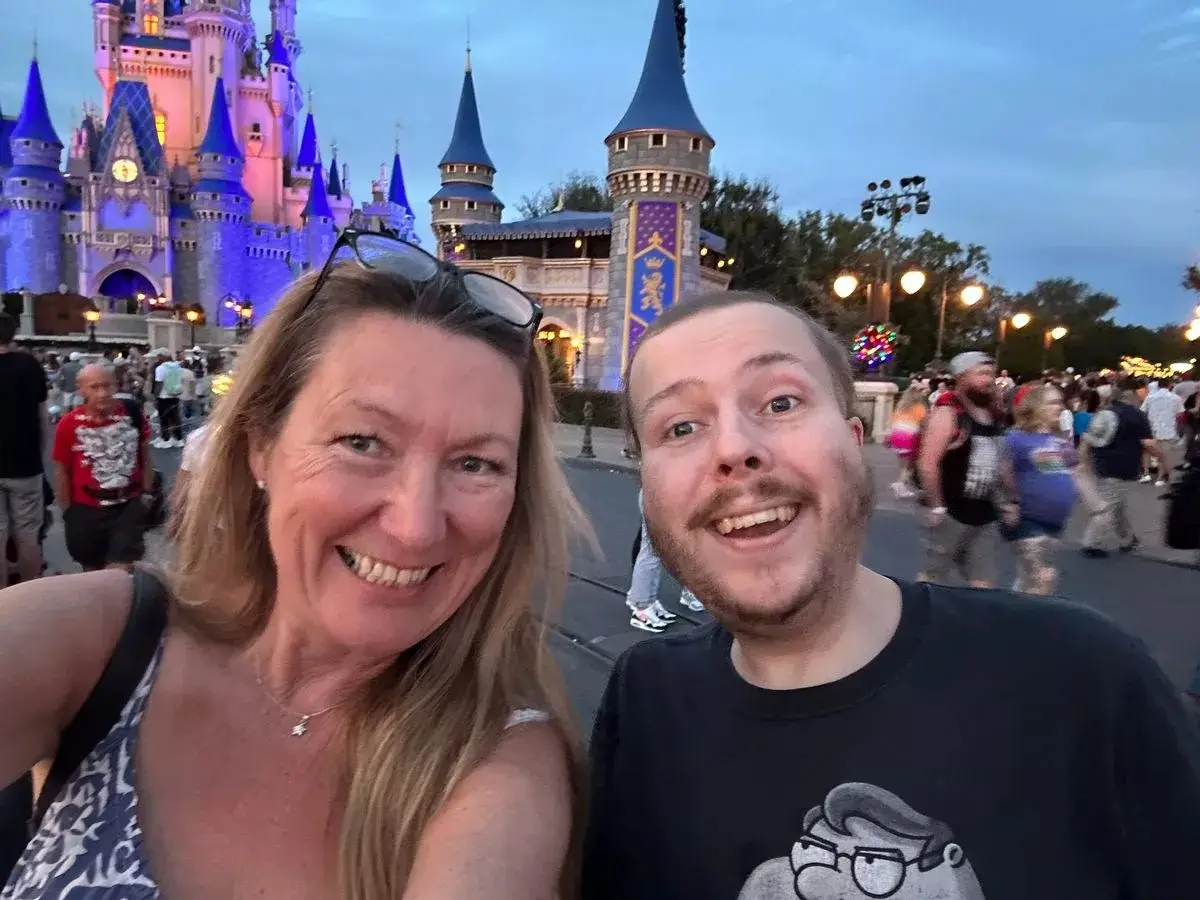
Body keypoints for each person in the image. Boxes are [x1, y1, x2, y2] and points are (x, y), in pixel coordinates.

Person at [1, 232, 585, 898]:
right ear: (259, 447)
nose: (417, 526)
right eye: (363, 442)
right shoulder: (101, 642)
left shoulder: (493, 766)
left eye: (475, 463)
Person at [582, 290, 1200, 900]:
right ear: (650, 489)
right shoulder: (645, 699)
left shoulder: (1079, 677)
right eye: (681, 426)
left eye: (779, 401)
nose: (734, 449)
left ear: (855, 443)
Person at [50, 364, 153, 573]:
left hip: (127, 506)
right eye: (94, 387)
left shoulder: (132, 413)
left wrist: (147, 493)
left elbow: (145, 454)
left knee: (119, 573)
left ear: (116, 385)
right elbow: (61, 471)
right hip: (86, 510)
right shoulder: (68, 424)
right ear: (81, 390)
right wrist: (69, 512)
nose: (102, 393)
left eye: (107, 386)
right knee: (92, 572)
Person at [916, 351, 1004, 588]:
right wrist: (936, 506)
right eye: (982, 373)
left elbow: (1001, 458)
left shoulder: (992, 414)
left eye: (992, 374)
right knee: (933, 577)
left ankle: (980, 621)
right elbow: (927, 463)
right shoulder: (948, 414)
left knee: (984, 582)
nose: (989, 380)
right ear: (961, 376)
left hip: (984, 513)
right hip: (951, 512)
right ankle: (923, 619)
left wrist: (1010, 499)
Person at [998, 383, 1078, 595]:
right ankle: (1034, 624)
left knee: (1027, 580)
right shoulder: (1017, 438)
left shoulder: (1059, 441)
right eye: (1052, 403)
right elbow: (1003, 471)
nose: (1059, 407)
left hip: (1054, 521)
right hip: (1027, 518)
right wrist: (1011, 501)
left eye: (1060, 402)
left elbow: (1074, 470)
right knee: (1043, 577)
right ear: (1035, 407)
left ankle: (1008, 618)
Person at [1081, 381, 1170, 557]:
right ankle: (1091, 542)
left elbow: (1088, 440)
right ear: (1133, 396)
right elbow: (1148, 444)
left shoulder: (1104, 413)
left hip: (1103, 463)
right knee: (1109, 505)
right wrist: (1164, 460)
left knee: (1117, 503)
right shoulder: (1137, 415)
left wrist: (1084, 462)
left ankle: (1128, 538)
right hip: (1123, 465)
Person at [0, 313, 49, 587]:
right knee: (28, 533)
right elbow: (42, 416)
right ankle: (31, 592)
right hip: (25, 464)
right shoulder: (29, 366)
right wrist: (39, 456)